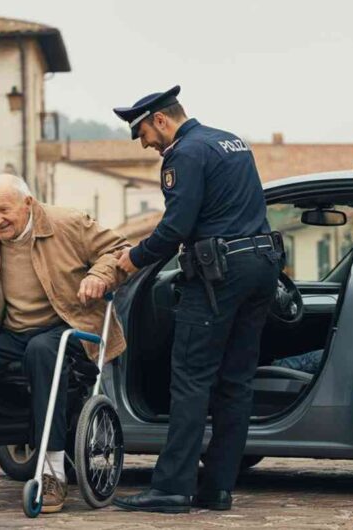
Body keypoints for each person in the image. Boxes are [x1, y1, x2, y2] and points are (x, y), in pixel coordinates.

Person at [112, 86, 282, 513]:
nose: (148, 145)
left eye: (144, 134)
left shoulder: (183, 154)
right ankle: (217, 488)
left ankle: (170, 488)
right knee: (236, 382)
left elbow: (176, 227)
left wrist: (133, 259)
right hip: (261, 266)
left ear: (160, 120)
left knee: (191, 379)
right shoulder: (233, 141)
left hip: (218, 275)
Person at [0, 174, 129, 513]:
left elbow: (120, 250)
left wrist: (99, 275)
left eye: (3, 210)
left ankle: (52, 472)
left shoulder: (67, 223)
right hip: (13, 333)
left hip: (70, 327)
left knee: (42, 351)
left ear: (28, 204)